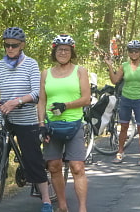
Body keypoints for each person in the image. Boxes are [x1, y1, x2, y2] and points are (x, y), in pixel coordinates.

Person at [0, 27, 53, 212]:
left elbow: (38, 93)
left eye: (14, 45)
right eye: (6, 45)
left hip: (26, 118)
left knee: (32, 158)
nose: (10, 49)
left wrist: (18, 101)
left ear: (22, 46)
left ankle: (46, 200)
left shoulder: (30, 64)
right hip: (4, 117)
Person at [38, 34, 90, 212]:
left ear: (71, 52)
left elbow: (86, 99)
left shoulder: (80, 71)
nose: (62, 52)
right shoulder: (45, 73)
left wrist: (66, 105)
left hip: (74, 123)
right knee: (54, 166)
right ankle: (62, 206)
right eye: (59, 49)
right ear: (54, 52)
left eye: (66, 50)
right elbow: (42, 101)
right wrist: (41, 124)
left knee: (77, 167)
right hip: (52, 126)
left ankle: (82, 208)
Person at [104, 40, 140, 166]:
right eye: (131, 51)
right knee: (124, 127)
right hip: (126, 99)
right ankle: (120, 152)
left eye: (136, 51)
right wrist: (109, 66)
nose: (134, 53)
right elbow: (114, 80)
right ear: (128, 53)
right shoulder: (124, 65)